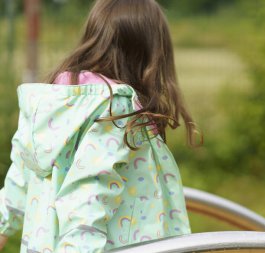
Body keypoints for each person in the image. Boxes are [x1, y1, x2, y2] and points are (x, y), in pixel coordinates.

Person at [0, 0, 203, 252]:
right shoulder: (115, 113)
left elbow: (21, 175)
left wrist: (3, 225)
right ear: (148, 54)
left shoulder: (54, 108)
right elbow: (88, 198)